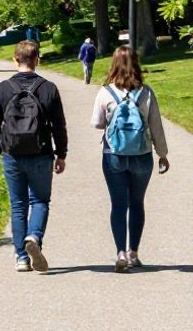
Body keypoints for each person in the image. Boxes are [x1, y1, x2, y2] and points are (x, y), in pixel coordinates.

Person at [0, 39, 68, 273]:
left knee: (18, 205)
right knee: (40, 201)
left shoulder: (3, 88)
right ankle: (34, 237)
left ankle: (21, 258)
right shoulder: (49, 88)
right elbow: (59, 125)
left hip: (12, 154)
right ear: (37, 60)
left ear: (15, 59)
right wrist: (60, 154)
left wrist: (0, 146)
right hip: (41, 153)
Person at [91, 45, 170, 272]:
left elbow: (96, 123)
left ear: (113, 64)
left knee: (118, 205)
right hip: (142, 155)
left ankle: (120, 253)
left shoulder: (105, 92)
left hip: (113, 154)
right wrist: (162, 154)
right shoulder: (146, 92)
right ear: (136, 64)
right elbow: (156, 126)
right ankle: (134, 253)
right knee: (137, 203)